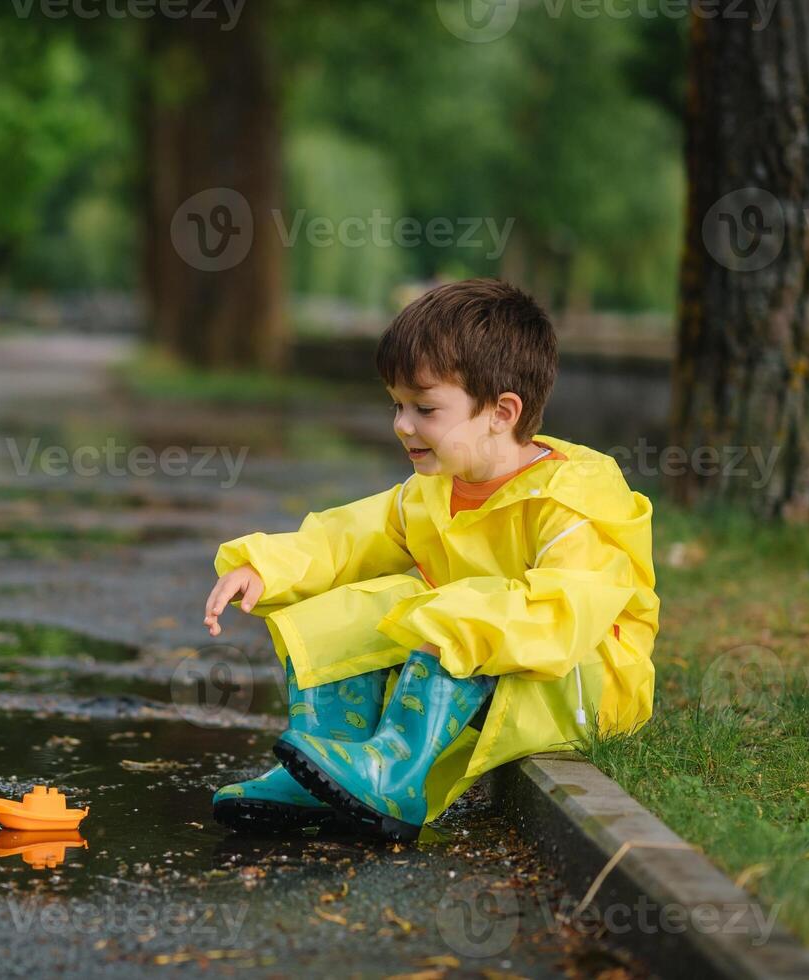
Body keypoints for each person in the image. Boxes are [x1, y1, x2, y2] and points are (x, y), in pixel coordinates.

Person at [202, 278, 660, 842]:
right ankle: (332, 769)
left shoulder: (573, 501)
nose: (402, 425)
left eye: (425, 408)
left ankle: (396, 774)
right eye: (396, 404)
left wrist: (459, 618)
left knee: (459, 606)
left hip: (583, 679)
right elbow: (345, 538)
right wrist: (263, 566)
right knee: (359, 602)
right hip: (485, 660)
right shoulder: (433, 490)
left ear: (502, 411)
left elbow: (563, 614)